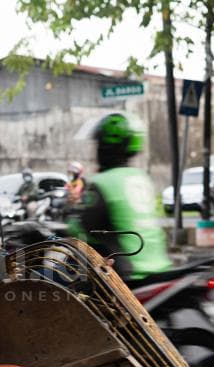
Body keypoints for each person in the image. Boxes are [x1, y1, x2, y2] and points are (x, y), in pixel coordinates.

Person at [70, 112, 172, 279]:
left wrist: (67, 223)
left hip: (130, 274)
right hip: (159, 265)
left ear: (103, 147)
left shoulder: (103, 182)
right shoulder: (141, 177)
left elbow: (85, 225)